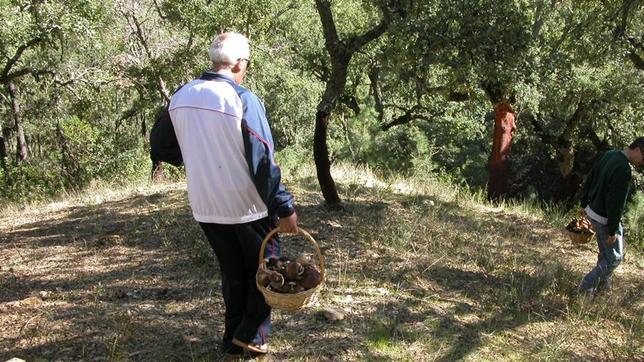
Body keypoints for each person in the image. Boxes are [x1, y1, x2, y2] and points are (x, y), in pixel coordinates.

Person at [150, 32, 298, 357]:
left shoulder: (182, 95)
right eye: (246, 64)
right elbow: (262, 160)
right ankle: (249, 338)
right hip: (248, 207)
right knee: (266, 272)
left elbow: (160, 145)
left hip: (206, 207)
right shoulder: (242, 99)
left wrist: (194, 153)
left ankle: (234, 340)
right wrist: (284, 206)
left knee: (233, 275)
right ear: (239, 63)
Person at [578, 136, 644, 296]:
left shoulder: (608, 154)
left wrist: (583, 203)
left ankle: (600, 290)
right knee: (614, 258)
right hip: (604, 219)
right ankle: (585, 286)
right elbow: (615, 203)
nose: (642, 163)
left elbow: (590, 179)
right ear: (637, 150)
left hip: (592, 211)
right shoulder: (623, 169)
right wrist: (613, 231)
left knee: (605, 254)